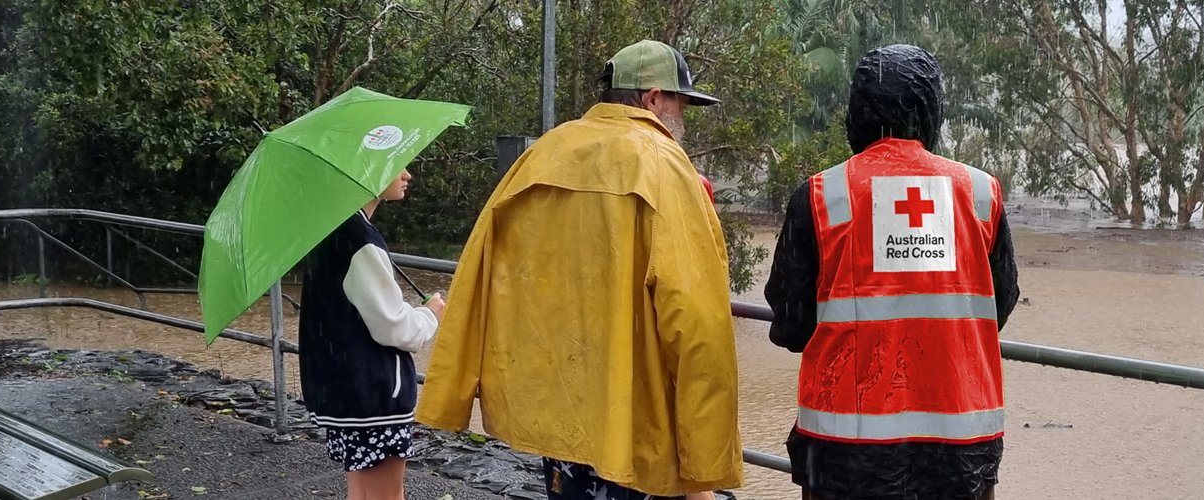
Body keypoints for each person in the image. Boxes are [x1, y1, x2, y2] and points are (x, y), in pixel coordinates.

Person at [416, 40, 743, 500]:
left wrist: (451, 391)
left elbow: (479, 272)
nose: (683, 116)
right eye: (681, 102)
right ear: (652, 98)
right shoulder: (664, 166)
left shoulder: (546, 152)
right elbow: (697, 324)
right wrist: (703, 468)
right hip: (635, 429)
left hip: (559, 419)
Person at [763, 44, 1020, 500]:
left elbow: (790, 325)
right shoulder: (982, 193)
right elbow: (997, 311)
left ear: (856, 113)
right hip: (961, 449)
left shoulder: (822, 196)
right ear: (932, 111)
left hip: (845, 451)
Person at [299, 167, 447, 500]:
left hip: (343, 393)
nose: (408, 175)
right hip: (374, 398)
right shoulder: (360, 241)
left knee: (363, 493)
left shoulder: (334, 229)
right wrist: (430, 314)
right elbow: (394, 328)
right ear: (367, 172)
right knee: (386, 496)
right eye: (398, 166)